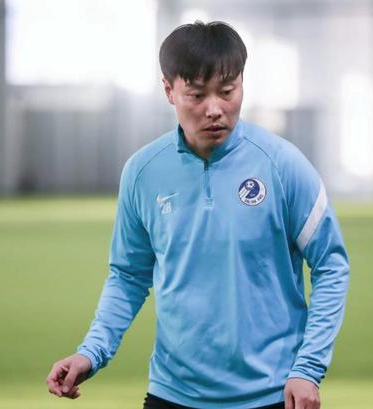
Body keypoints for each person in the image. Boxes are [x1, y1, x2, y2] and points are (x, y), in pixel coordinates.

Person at [47, 21, 350, 409]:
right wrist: (91, 351)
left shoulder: (284, 165)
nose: (215, 109)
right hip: (172, 394)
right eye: (196, 95)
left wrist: (307, 369)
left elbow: (331, 265)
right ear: (168, 90)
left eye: (227, 91)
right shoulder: (142, 172)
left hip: (272, 394)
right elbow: (128, 275)